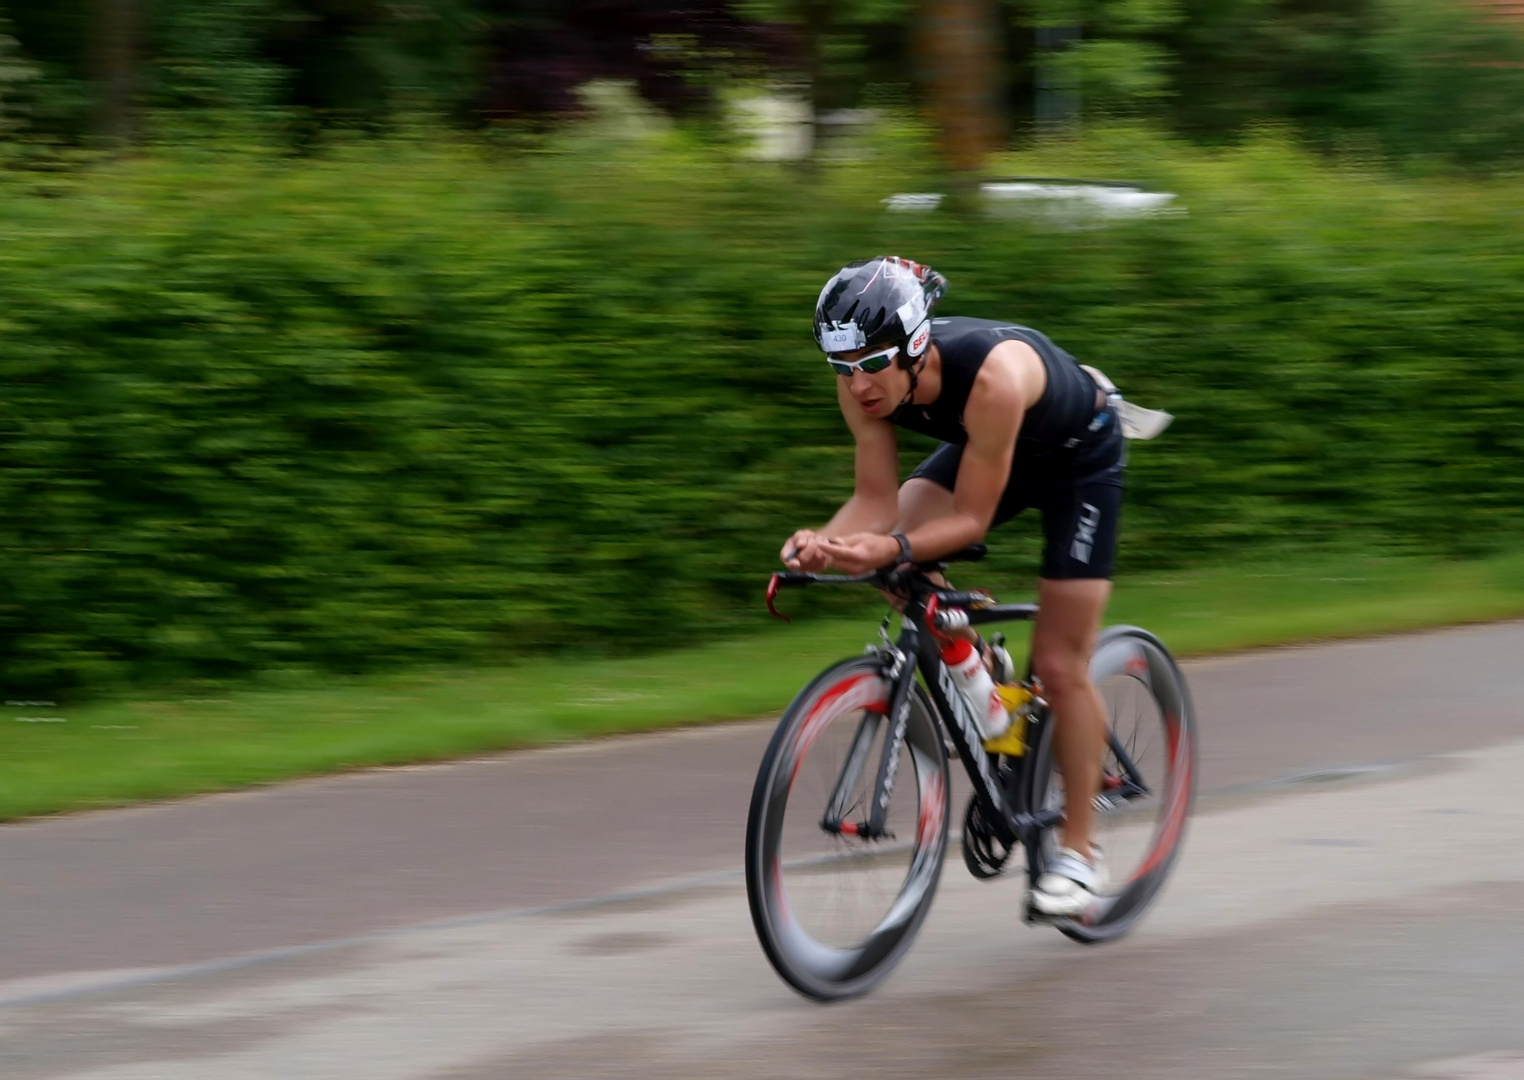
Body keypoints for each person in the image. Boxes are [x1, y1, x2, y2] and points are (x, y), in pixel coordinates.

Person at [779, 255, 1126, 917]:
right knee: (893, 564)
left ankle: (1080, 854)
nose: (857, 387)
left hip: (1078, 458)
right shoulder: (867, 381)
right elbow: (874, 503)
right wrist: (824, 543)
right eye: (841, 369)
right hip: (992, 450)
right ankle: (982, 673)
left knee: (1059, 661)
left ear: (914, 347)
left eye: (871, 364)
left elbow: (967, 519)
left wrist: (890, 544)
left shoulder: (992, 377)